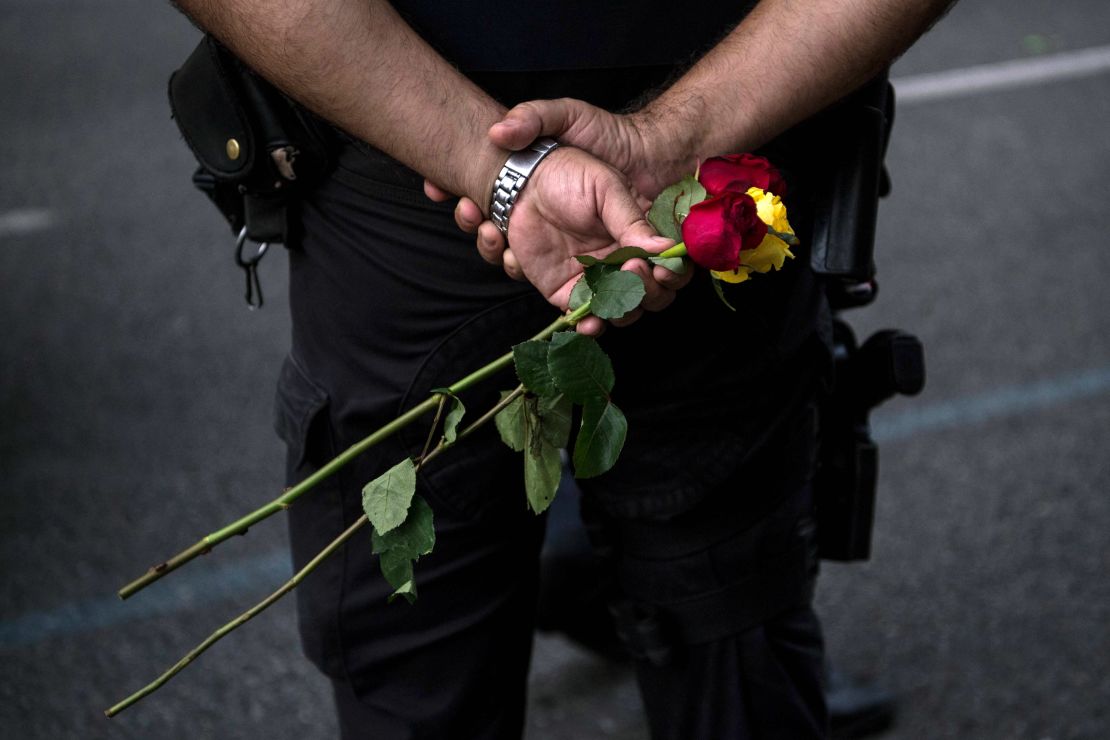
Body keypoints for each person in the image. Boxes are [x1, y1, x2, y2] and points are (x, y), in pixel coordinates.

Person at [172, 1, 955, 738]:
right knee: (732, 647)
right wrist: (662, 142)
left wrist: (499, 162)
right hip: (525, 188)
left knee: (428, 669)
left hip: (483, 199)